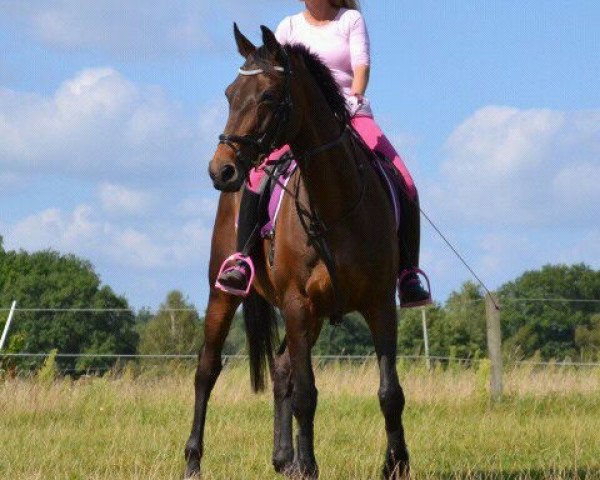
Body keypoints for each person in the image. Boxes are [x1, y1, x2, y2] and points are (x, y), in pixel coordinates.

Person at [216, 0, 431, 307]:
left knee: (405, 180)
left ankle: (408, 273)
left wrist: (355, 98)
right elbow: (278, 81)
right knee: (256, 178)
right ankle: (242, 260)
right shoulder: (288, 26)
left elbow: (361, 67)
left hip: (350, 112)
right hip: (301, 121)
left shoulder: (350, 20)